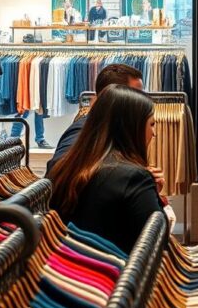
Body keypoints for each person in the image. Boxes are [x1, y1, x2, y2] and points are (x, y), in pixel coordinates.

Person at [48, 85, 164, 252]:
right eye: (151, 124)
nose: (154, 133)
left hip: (68, 270)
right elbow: (156, 242)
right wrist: (155, 195)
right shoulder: (134, 178)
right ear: (132, 127)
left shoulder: (66, 168)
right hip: (116, 273)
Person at [46, 64, 145, 175]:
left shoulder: (116, 128)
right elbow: (57, 170)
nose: (141, 101)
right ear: (113, 95)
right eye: (136, 95)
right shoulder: (83, 130)